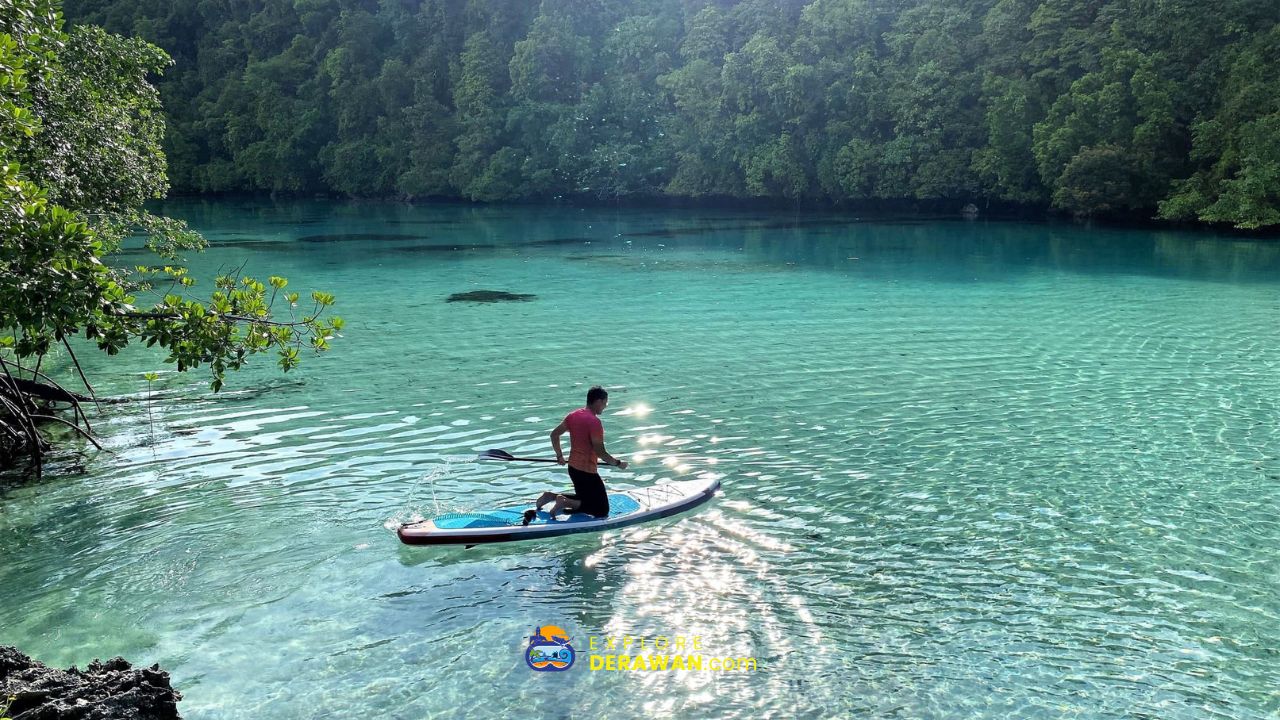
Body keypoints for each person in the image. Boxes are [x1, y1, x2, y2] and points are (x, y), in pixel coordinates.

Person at [523, 386, 627, 525]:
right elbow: (601, 452)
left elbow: (554, 434)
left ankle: (550, 496)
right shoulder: (594, 422)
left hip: (573, 469)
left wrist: (559, 455)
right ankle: (564, 501)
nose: (605, 406)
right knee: (601, 510)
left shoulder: (573, 415)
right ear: (598, 401)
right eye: (605, 403)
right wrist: (618, 463)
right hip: (587, 472)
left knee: (583, 498)